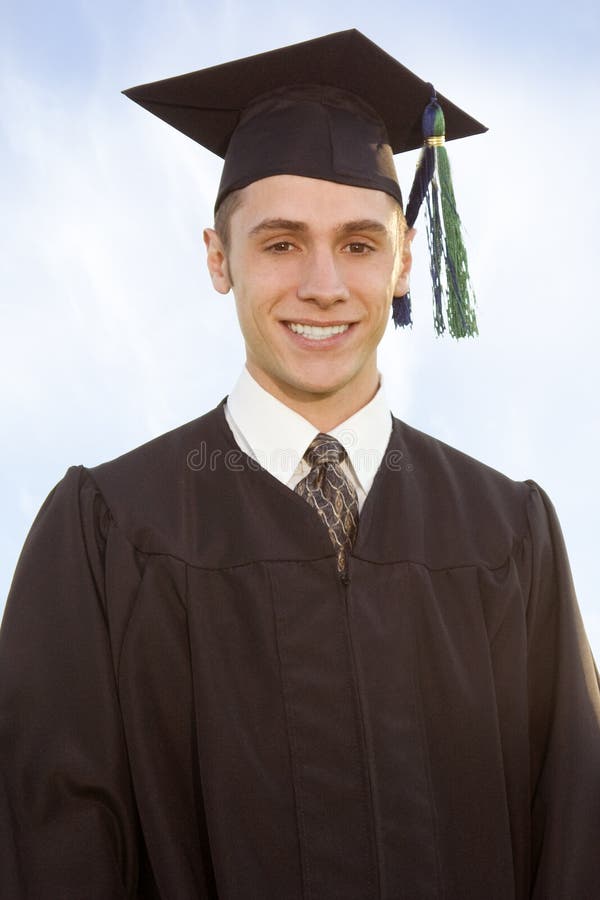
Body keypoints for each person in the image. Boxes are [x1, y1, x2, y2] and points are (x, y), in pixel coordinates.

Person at [1, 29, 598, 900]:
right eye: (281, 243)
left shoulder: (509, 535)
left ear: (401, 265)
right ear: (218, 258)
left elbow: (579, 838)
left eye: (359, 245)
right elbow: (48, 847)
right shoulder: (107, 532)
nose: (323, 283)